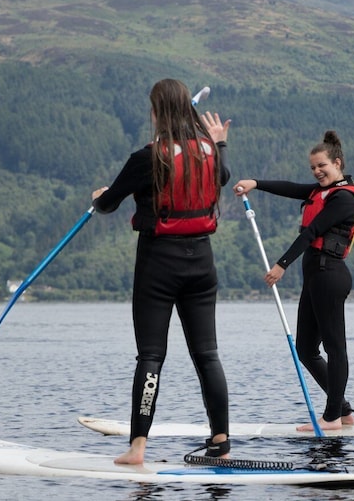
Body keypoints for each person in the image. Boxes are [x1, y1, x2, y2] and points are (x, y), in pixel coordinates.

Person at [92, 78, 232, 464]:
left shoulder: (148, 157)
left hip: (159, 263)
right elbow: (223, 175)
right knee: (207, 354)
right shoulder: (209, 152)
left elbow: (109, 204)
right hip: (202, 263)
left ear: (157, 112)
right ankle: (220, 439)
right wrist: (218, 141)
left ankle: (138, 447)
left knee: (151, 356)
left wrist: (99, 197)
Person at [233, 130, 354, 432]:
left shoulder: (344, 198)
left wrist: (281, 265)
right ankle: (342, 409)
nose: (317, 172)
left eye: (323, 166)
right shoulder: (321, 192)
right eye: (313, 168)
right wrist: (256, 183)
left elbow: (311, 232)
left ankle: (331, 417)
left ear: (337, 163)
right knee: (305, 349)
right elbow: (291, 188)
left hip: (330, 275)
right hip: (315, 276)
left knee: (335, 348)